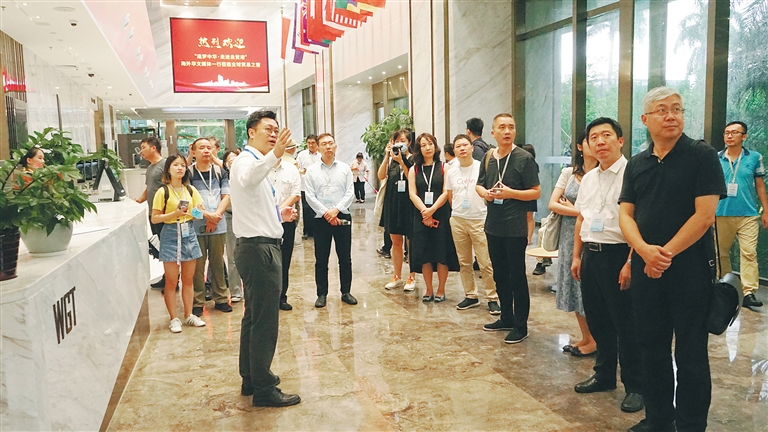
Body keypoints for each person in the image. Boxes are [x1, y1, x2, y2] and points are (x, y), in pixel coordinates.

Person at [619, 87, 726, 432]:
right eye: (663, 110)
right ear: (645, 119)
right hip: (646, 269)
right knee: (651, 348)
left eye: (677, 109)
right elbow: (625, 214)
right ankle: (659, 419)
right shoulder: (638, 163)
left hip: (690, 272)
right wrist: (643, 251)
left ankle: (691, 424)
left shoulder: (701, 155)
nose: (671, 116)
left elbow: (705, 215)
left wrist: (662, 254)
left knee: (691, 353)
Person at [570, 118, 643, 414]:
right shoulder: (588, 178)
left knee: (627, 324)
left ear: (620, 140)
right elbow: (581, 218)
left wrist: (630, 261)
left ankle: (636, 385)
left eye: (606, 135)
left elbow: (640, 222)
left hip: (620, 255)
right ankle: (604, 375)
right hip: (591, 254)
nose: (600, 142)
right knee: (598, 319)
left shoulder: (632, 173)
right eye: (594, 137)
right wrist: (577, 256)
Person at [229, 110, 301, 407]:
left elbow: (254, 204)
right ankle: (264, 388)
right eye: (268, 129)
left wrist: (278, 214)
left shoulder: (255, 162)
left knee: (254, 316)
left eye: (276, 130)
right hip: (259, 251)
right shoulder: (245, 161)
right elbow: (248, 179)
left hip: (257, 246)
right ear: (251, 132)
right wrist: (276, 154)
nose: (273, 134)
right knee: (265, 321)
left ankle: (250, 376)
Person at [475, 113, 540, 344]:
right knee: (499, 274)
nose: (507, 131)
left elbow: (536, 192)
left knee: (516, 277)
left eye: (511, 127)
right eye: (502, 127)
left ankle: (521, 326)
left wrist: (511, 193)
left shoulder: (524, 158)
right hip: (493, 225)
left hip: (515, 228)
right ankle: (506, 317)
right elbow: (479, 185)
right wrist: (486, 194)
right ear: (493, 133)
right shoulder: (489, 157)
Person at [549, 131, 598, 357]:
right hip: (570, 236)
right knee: (573, 285)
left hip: (594, 235)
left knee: (591, 287)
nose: (595, 144)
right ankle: (587, 337)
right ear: (580, 146)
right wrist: (580, 212)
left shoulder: (603, 173)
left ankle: (597, 338)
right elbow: (553, 203)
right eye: (590, 140)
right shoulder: (569, 173)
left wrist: (575, 209)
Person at [150, 155, 207, 333]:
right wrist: (173, 214)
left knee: (188, 279)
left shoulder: (190, 190)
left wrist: (197, 211)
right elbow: (155, 218)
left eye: (183, 165)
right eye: (176, 165)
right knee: (171, 281)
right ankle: (173, 318)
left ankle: (189, 314)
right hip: (170, 233)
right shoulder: (163, 192)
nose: (180, 168)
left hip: (188, 231)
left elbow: (198, 214)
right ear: (168, 169)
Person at [715, 121, 767, 308]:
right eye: (726, 132)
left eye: (734, 132)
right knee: (721, 253)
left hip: (748, 214)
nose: (729, 136)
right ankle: (727, 286)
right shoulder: (716, 158)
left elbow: (760, 185)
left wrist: (766, 209)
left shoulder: (754, 157)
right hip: (721, 213)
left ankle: (748, 292)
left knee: (749, 252)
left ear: (744, 136)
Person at [446, 134, 499, 313]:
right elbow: (450, 195)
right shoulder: (451, 171)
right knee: (464, 261)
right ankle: (471, 295)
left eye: (465, 145)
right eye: (458, 146)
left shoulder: (481, 167)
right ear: (454, 151)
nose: (462, 148)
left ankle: (492, 297)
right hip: (458, 220)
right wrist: (458, 211)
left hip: (479, 220)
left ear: (471, 148)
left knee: (485, 262)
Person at [305, 133, 357, 308]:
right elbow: (310, 196)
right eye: (324, 144)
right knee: (321, 258)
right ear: (318, 147)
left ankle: (346, 291)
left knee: (345, 257)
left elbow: (350, 193)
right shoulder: (312, 171)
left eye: (331, 143)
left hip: (342, 215)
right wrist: (326, 213)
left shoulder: (345, 169)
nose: (328, 146)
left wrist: (336, 210)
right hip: (321, 218)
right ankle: (321, 294)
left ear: (335, 146)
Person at [408, 133, 458, 302]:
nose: (427, 148)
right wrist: (425, 211)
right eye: (423, 145)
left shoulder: (445, 167)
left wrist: (432, 209)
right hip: (420, 215)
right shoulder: (414, 169)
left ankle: (441, 289)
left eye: (430, 144)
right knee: (425, 254)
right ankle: (428, 289)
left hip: (441, 213)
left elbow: (446, 192)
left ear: (435, 146)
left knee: (441, 252)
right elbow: (412, 193)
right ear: (418, 149)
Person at [188, 137, 232, 316]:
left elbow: (226, 196)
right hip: (196, 225)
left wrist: (216, 217)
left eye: (209, 147)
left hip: (218, 224)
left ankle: (221, 298)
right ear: (193, 151)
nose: (206, 151)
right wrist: (207, 216)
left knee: (217, 263)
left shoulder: (220, 171)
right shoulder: (188, 173)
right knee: (197, 266)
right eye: (201, 148)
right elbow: (187, 203)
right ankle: (198, 301)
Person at [378, 129, 418, 291]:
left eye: (403, 140)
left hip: (408, 204)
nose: (400, 143)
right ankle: (397, 275)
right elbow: (381, 176)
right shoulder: (391, 159)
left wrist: (402, 161)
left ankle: (412, 276)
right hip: (393, 203)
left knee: (411, 242)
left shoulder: (413, 159)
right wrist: (387, 156)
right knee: (395, 241)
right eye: (397, 141)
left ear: (409, 143)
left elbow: (412, 179)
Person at [270, 144, 302, 311]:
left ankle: (282, 297)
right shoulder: (262, 169)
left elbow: (296, 194)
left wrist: (279, 212)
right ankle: (268, 298)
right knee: (267, 261)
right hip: (266, 222)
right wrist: (274, 214)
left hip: (287, 221)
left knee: (284, 260)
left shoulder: (291, 169)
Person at [134, 137, 168, 290]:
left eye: (143, 147)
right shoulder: (149, 168)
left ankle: (172, 279)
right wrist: (140, 200)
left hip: (164, 214)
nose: (141, 151)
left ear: (153, 148)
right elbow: (149, 188)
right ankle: (166, 276)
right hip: (153, 214)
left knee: (167, 246)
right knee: (160, 246)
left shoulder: (165, 165)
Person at [222, 149, 242, 303]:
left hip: (246, 216)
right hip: (229, 216)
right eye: (229, 160)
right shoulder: (223, 178)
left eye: (235, 159)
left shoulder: (244, 176)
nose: (232, 162)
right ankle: (236, 291)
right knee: (232, 255)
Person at [296, 135, 321, 239]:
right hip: (305, 187)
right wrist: (302, 171)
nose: (311, 145)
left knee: (316, 209)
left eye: (313, 143)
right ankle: (306, 231)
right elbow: (296, 168)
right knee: (306, 209)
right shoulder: (302, 155)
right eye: (309, 143)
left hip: (318, 187)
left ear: (317, 143)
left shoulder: (321, 155)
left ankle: (316, 231)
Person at [521, 144, 539, 245]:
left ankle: (529, 238)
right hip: (523, 193)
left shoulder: (532, 164)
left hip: (530, 193)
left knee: (529, 216)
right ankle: (527, 237)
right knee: (528, 216)